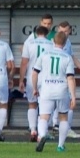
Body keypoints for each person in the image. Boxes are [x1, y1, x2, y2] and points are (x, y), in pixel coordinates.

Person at [32, 26, 78, 153]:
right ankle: (60, 145)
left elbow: (35, 72)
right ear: (65, 43)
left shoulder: (44, 55)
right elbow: (70, 78)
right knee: (63, 117)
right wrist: (73, 96)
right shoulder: (67, 57)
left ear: (53, 41)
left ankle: (42, 134)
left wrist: (35, 88)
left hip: (46, 89)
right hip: (61, 90)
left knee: (44, 116)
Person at [19, 14, 55, 142]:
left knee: (32, 104)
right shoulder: (51, 44)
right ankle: (42, 133)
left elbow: (24, 62)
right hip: (46, 79)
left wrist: (21, 79)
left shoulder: (29, 42)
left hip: (31, 77)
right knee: (45, 106)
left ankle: (33, 129)